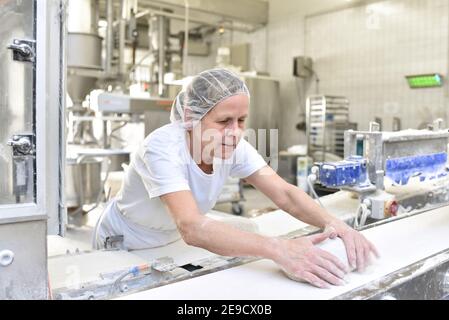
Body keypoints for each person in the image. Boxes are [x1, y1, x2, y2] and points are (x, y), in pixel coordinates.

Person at [94, 68, 379, 288]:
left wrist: (335, 224)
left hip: (170, 243)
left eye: (241, 120)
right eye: (223, 121)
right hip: (126, 243)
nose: (235, 132)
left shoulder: (233, 146)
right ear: (192, 115)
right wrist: (278, 249)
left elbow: (285, 194)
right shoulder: (162, 149)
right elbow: (192, 227)